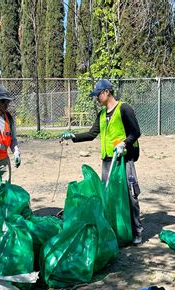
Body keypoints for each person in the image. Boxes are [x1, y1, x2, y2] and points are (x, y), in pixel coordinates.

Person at [61, 79, 143, 245]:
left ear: (106, 92)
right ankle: (115, 230)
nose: (96, 98)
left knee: (130, 194)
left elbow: (136, 132)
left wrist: (124, 143)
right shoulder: (102, 114)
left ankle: (136, 232)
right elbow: (92, 134)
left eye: (97, 95)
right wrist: (73, 136)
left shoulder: (124, 109)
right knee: (108, 194)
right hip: (108, 160)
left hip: (123, 158)